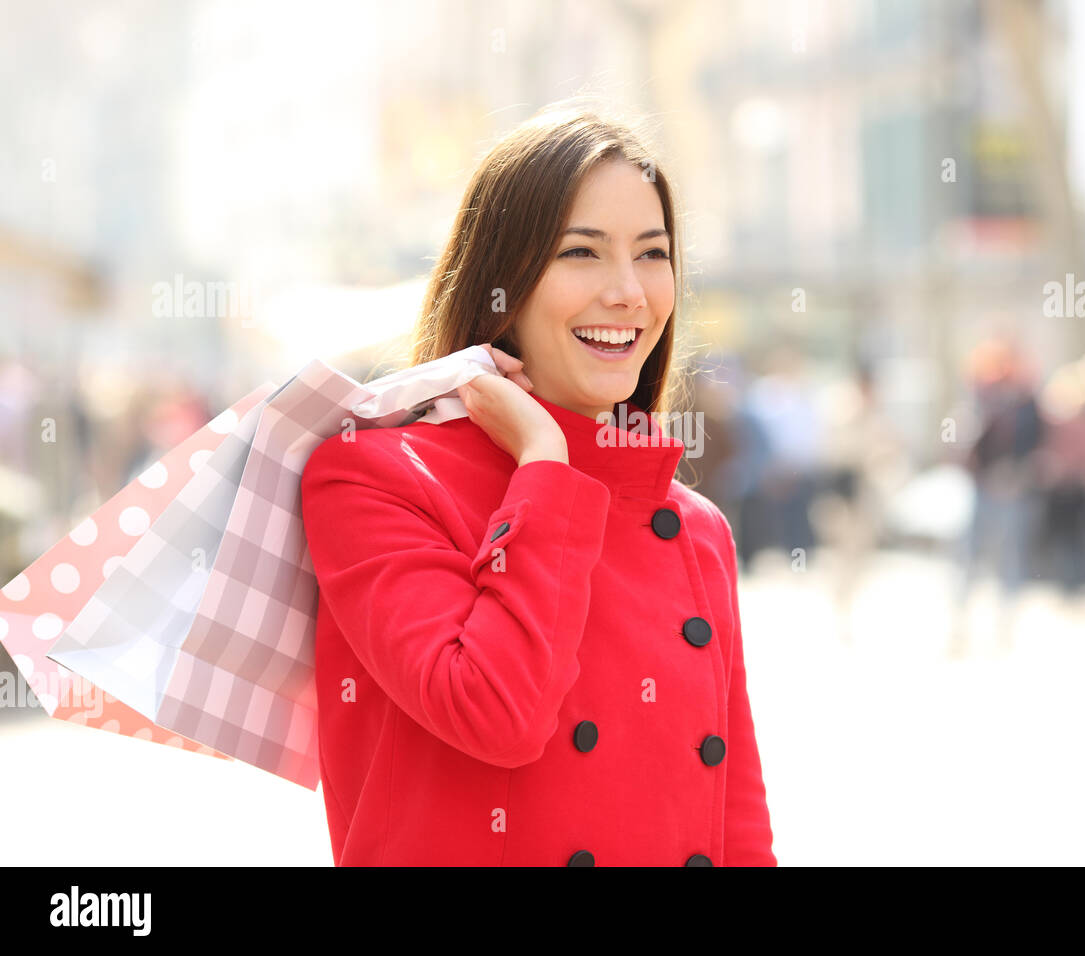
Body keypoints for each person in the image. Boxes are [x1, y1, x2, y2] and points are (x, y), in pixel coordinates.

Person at [299, 102, 777, 866]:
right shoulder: (372, 476)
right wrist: (545, 466)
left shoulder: (695, 530)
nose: (628, 292)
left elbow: (738, 827)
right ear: (503, 279)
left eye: (652, 255)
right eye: (581, 254)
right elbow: (494, 711)